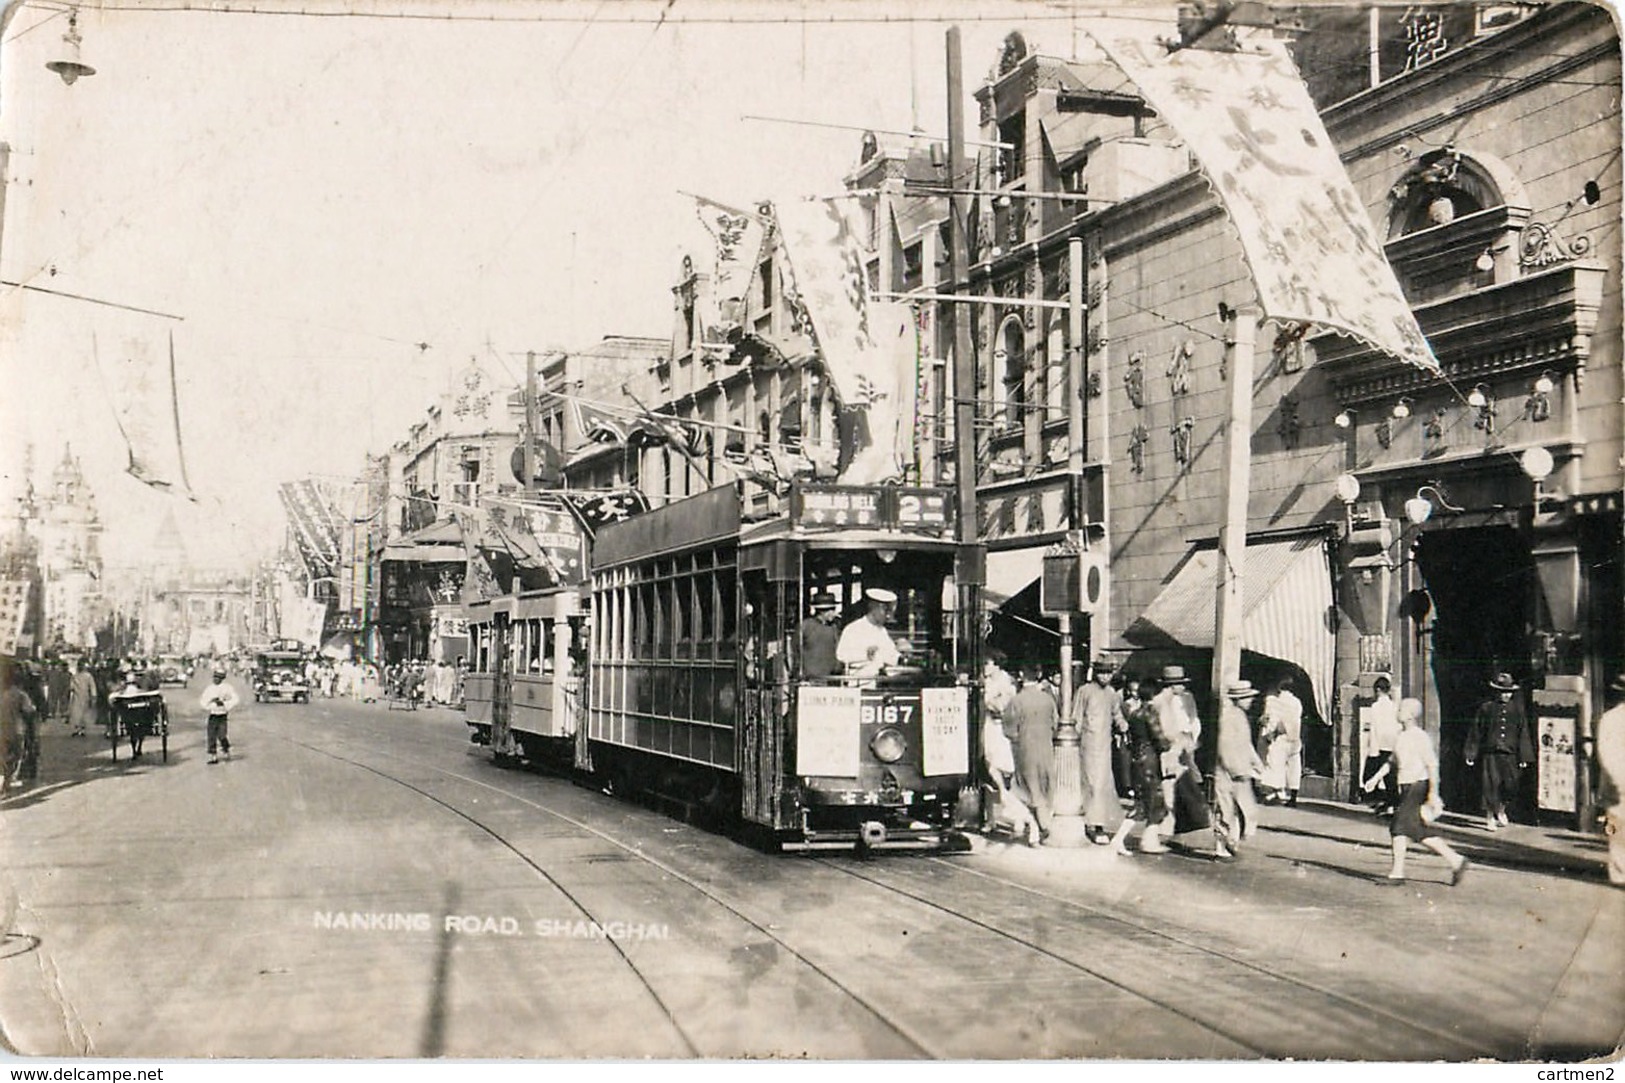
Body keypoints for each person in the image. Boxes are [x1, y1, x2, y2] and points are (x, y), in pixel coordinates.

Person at [1363, 697, 1469, 886]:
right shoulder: (1401, 735)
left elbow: (1432, 765)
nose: (1398, 711)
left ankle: (1397, 873)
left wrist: (1433, 793)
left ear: (1410, 715)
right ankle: (1456, 860)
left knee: (1398, 827)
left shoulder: (1420, 737)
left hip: (1417, 786)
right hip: (1405, 787)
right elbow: (1392, 761)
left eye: (1401, 708)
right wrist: (1375, 778)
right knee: (1416, 830)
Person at [1110, 676, 1172, 855]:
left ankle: (1146, 840)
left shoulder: (1135, 714)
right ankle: (1134, 841)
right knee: (1150, 805)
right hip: (1150, 764)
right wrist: (1171, 743)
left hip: (1137, 762)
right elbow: (1160, 741)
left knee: (1144, 805)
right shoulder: (1150, 714)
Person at [1465, 671, 1534, 831]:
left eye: (1509, 692)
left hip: (1510, 755)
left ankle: (1501, 809)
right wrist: (1471, 752)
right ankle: (1490, 817)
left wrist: (1524, 755)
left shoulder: (1517, 709)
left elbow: (1522, 732)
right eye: (1502, 692)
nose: (1506, 695)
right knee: (1490, 785)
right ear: (1496, 692)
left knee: (1509, 785)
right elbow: (1476, 731)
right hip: (1491, 754)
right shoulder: (1486, 708)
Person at [1071, 656, 1126, 845]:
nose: (1105, 676)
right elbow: (1076, 717)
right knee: (1091, 784)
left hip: (1104, 746)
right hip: (1087, 745)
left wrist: (1123, 724)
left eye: (1109, 672)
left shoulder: (1111, 693)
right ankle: (1091, 825)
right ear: (1095, 673)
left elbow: (1116, 713)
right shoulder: (1084, 691)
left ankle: (1099, 825)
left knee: (1102, 786)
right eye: (1102, 672)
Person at [1004, 662, 1059, 846]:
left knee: (1026, 790)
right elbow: (1056, 724)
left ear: (1021, 674)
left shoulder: (1016, 701)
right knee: (1045, 787)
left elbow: (1009, 730)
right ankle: (1043, 825)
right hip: (1046, 749)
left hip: (1025, 750)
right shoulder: (1048, 699)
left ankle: (1038, 828)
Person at [1213, 680, 1265, 860]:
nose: (1250, 701)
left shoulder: (1240, 716)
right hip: (1229, 772)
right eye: (1247, 698)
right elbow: (1224, 746)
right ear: (1238, 699)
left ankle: (1232, 841)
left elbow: (1246, 744)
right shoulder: (1228, 717)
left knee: (1244, 809)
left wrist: (1256, 762)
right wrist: (1235, 769)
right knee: (1225, 809)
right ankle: (1221, 846)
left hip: (1240, 771)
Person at [1150, 664, 1202, 836]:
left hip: (1182, 742)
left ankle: (1174, 821)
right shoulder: (1161, 702)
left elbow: (1193, 720)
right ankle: (1166, 822)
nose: (1183, 686)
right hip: (1169, 746)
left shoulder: (1186, 698)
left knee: (1178, 783)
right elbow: (1164, 729)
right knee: (1169, 784)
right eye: (1180, 683)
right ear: (1172, 685)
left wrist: (1189, 739)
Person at [835, 588, 908, 678]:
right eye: (885, 611)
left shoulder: (882, 631)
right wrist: (865, 654)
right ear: (874, 608)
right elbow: (841, 656)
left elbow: (889, 655)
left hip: (880, 682)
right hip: (860, 683)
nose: (888, 616)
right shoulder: (854, 629)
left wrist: (901, 656)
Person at [1595, 675, 1625, 888]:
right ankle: (1619, 873)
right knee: (1617, 831)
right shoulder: (1611, 718)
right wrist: (1619, 779)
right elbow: (1607, 753)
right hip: (1618, 785)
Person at [1259, 675, 1306, 806]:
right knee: (1294, 766)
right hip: (1295, 738)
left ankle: (1276, 794)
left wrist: (1268, 733)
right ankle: (1293, 797)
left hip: (1281, 737)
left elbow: (1273, 720)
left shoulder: (1277, 701)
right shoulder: (1297, 702)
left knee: (1276, 764)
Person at [1361, 676, 1401, 814]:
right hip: (1393, 743)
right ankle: (1392, 804)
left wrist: (1373, 749)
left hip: (1380, 744)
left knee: (1374, 774)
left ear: (1378, 690)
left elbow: (1374, 728)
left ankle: (1385, 802)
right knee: (1391, 776)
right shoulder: (1394, 706)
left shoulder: (1376, 707)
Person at [0, 660, 37, 794]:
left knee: (3, 757)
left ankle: (3, 782)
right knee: (14, 757)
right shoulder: (21, 694)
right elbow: (29, 710)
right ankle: (6, 782)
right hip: (16, 730)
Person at [199, 665, 240, 765]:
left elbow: (235, 699)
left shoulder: (228, 688)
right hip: (213, 715)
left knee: (222, 735)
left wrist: (225, 704)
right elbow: (203, 701)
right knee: (211, 736)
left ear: (222, 678)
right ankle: (213, 756)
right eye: (215, 677)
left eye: (218, 677)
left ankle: (226, 749)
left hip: (222, 715)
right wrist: (211, 702)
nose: (216, 679)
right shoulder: (209, 689)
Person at [109, 673, 155, 760]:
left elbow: (112, 700)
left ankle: (135, 749)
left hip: (129, 716)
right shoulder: (142, 693)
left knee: (132, 729)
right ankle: (138, 747)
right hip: (139, 716)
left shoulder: (122, 694)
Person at [797, 591, 842, 680]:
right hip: (810, 679)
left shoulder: (834, 627)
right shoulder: (805, 626)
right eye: (831, 610)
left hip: (831, 678)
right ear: (822, 611)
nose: (834, 613)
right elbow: (794, 651)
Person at [68, 658, 98, 738]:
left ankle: (78, 729)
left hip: (79, 696)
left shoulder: (77, 676)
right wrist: (93, 696)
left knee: (78, 712)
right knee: (81, 712)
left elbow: (71, 687)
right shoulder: (87, 676)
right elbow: (92, 687)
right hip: (83, 696)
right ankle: (80, 729)